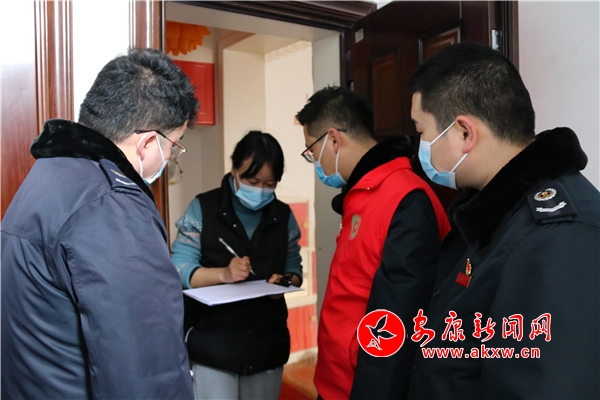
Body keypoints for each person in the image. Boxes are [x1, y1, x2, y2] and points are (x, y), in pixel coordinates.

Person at [1, 48, 198, 399]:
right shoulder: (112, 207)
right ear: (148, 143)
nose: (171, 156)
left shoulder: (46, 177)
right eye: (174, 145)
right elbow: (144, 371)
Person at [406, 42, 600, 399]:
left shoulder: (558, 238)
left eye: (422, 132)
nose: (420, 146)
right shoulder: (491, 211)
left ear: (464, 133)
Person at [295, 87, 451, 400]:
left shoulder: (405, 200)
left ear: (334, 139)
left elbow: (399, 322)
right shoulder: (361, 194)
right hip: (336, 382)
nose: (315, 161)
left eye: (312, 150)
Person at [172, 130, 303, 400]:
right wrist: (224, 274)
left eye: (269, 184)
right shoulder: (202, 208)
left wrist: (283, 283)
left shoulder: (283, 216)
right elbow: (179, 269)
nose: (261, 190)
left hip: (267, 346)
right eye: (252, 181)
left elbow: (295, 271)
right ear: (234, 171)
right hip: (212, 347)